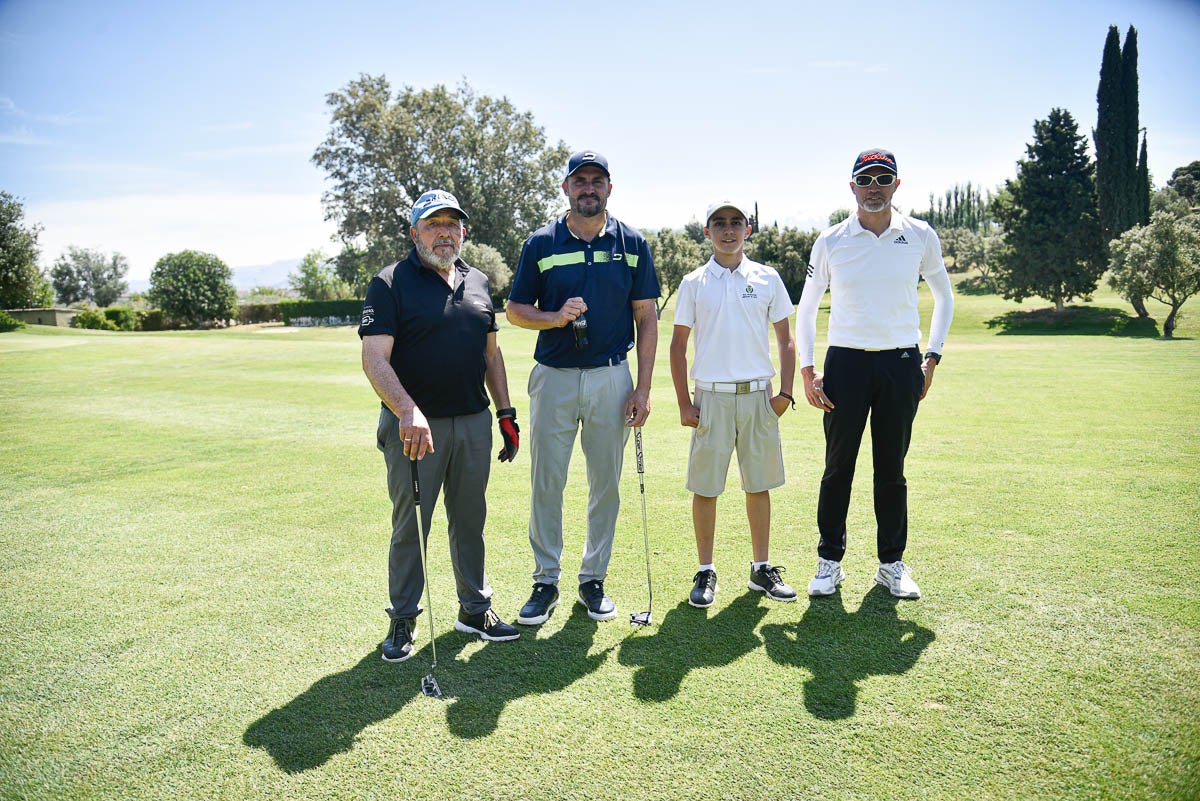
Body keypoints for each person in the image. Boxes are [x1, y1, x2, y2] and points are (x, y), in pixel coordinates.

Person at [359, 188, 521, 662]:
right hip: (414, 430)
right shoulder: (389, 283)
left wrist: (506, 413)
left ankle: (474, 609)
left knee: (471, 521)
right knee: (411, 525)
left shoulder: (479, 282)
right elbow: (374, 359)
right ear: (415, 233)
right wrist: (407, 410)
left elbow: (491, 353)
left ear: (463, 231)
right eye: (433, 224)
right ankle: (403, 619)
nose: (444, 233)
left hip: (472, 421)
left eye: (452, 224)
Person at [506, 150, 661, 624]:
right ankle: (545, 580)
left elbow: (647, 318)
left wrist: (643, 389)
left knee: (605, 485)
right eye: (580, 181)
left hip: (612, 376)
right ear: (566, 188)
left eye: (597, 181)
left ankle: (593, 579)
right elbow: (515, 310)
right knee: (546, 481)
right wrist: (553, 318)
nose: (588, 188)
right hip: (552, 377)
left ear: (609, 188)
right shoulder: (541, 243)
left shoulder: (632, 243)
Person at [796, 149, 954, 600]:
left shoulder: (921, 235)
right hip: (844, 362)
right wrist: (808, 369)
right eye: (865, 179)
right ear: (852, 187)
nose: (874, 187)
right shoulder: (831, 240)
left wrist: (933, 356)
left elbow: (945, 297)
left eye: (883, 179)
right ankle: (829, 562)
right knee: (837, 468)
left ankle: (891, 565)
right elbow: (806, 308)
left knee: (892, 470)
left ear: (896, 185)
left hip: (901, 362)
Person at [669, 200, 799, 608]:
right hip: (711, 398)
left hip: (759, 396)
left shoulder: (767, 278)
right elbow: (677, 347)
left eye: (736, 223)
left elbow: (786, 340)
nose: (729, 231)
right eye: (719, 224)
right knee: (706, 488)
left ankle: (762, 568)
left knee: (758, 485)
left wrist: (785, 394)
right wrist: (684, 404)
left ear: (747, 230)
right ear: (706, 232)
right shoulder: (693, 282)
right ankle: (706, 570)